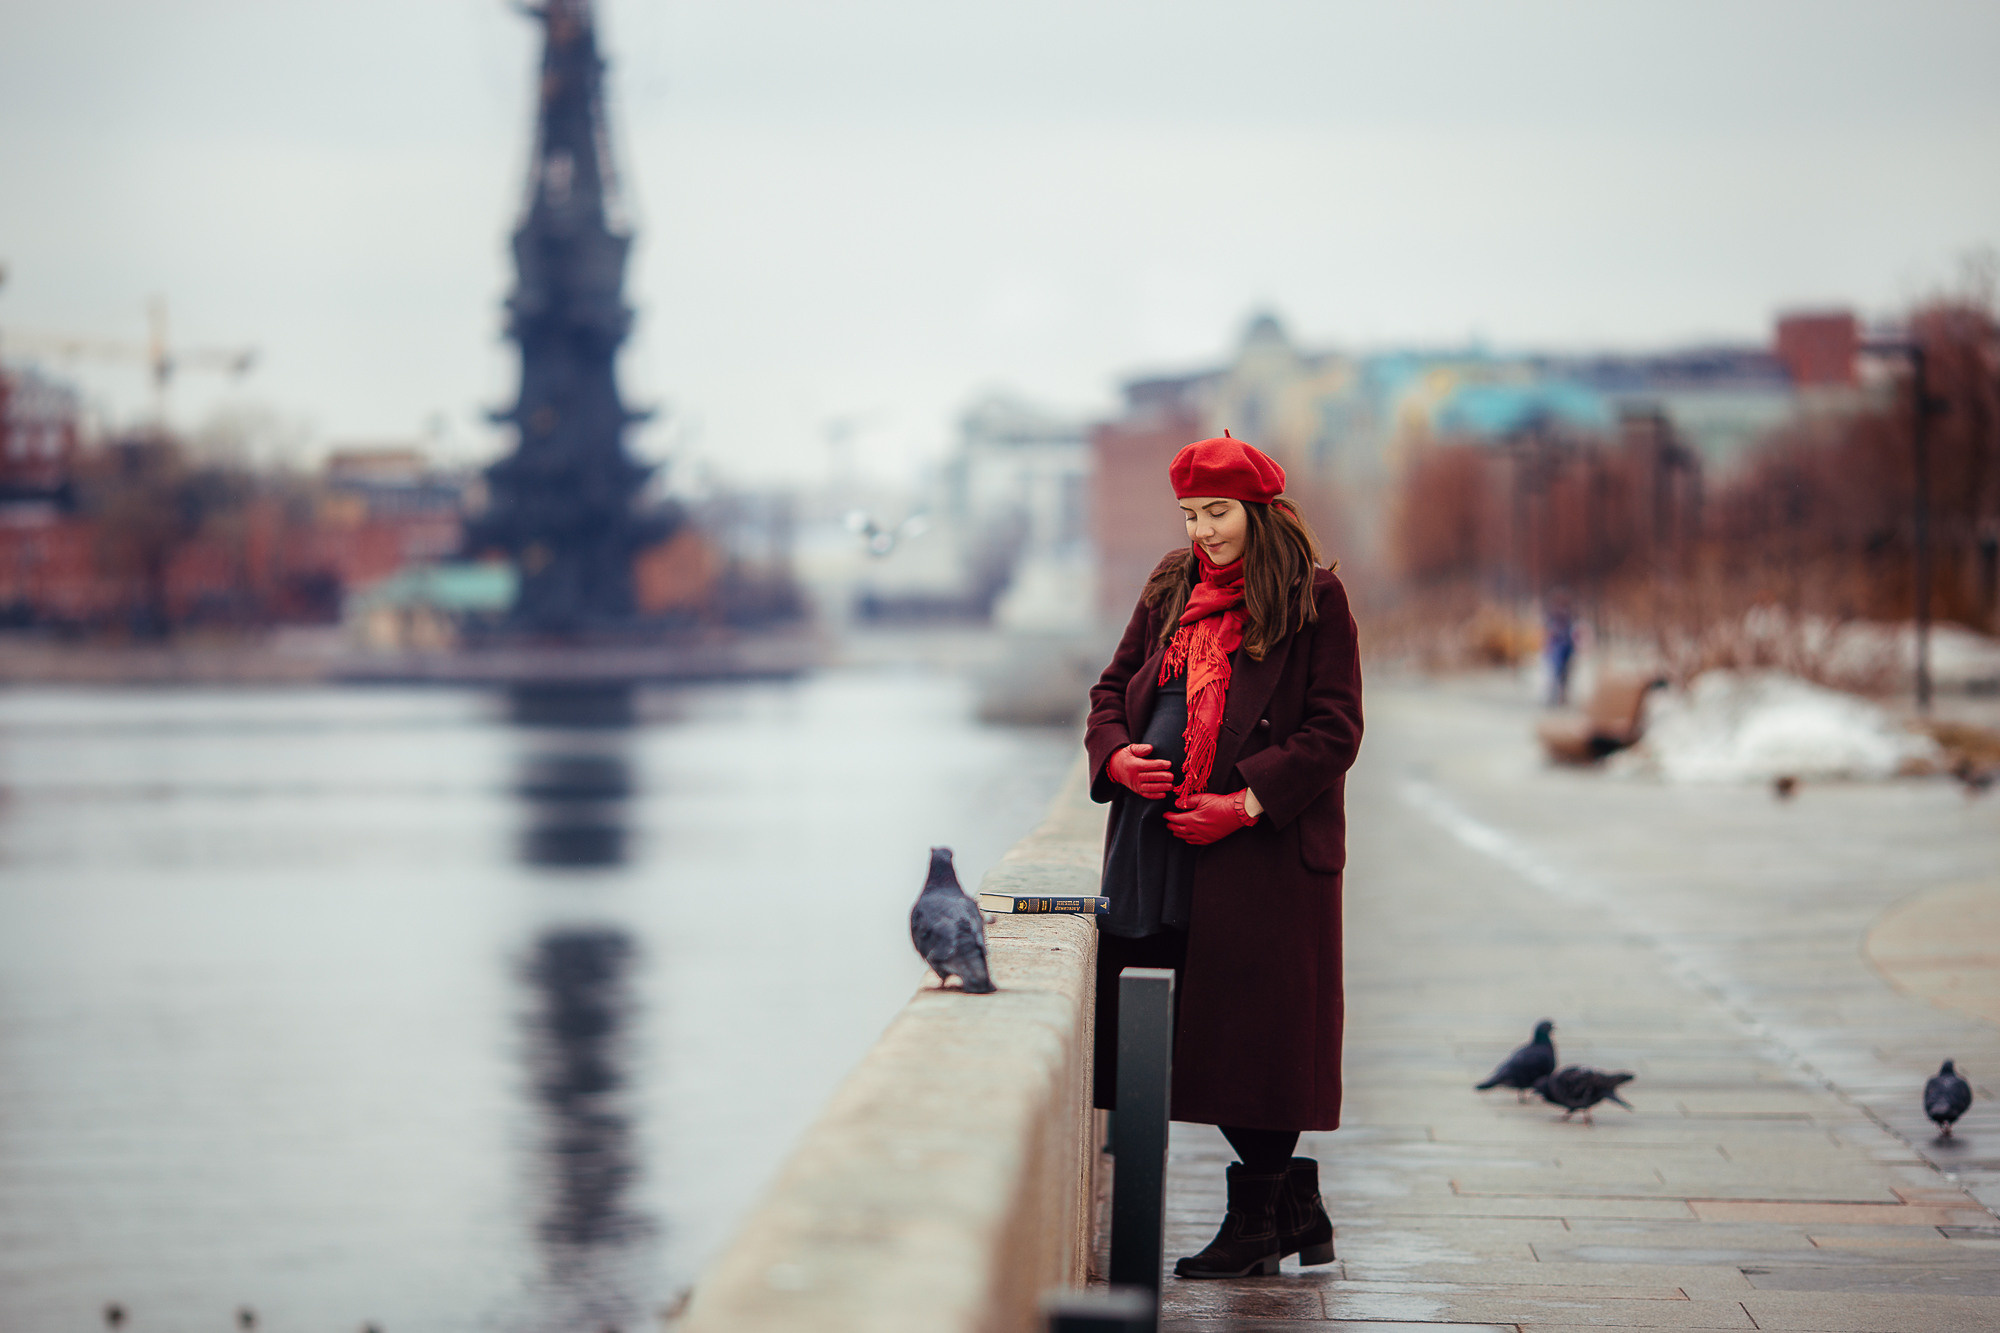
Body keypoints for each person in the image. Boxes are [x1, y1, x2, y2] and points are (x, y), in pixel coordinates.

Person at [1085, 433, 1363, 1280]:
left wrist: (1241, 802)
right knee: (1183, 1037)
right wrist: (1117, 756)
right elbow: (1110, 690)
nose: (1202, 530)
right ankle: (1293, 1206)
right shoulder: (1171, 584)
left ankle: (1258, 1224)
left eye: (1217, 513)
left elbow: (1334, 729)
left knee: (1252, 1040)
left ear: (1258, 511)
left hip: (1260, 854)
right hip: (1155, 843)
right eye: (1192, 514)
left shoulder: (1313, 598)